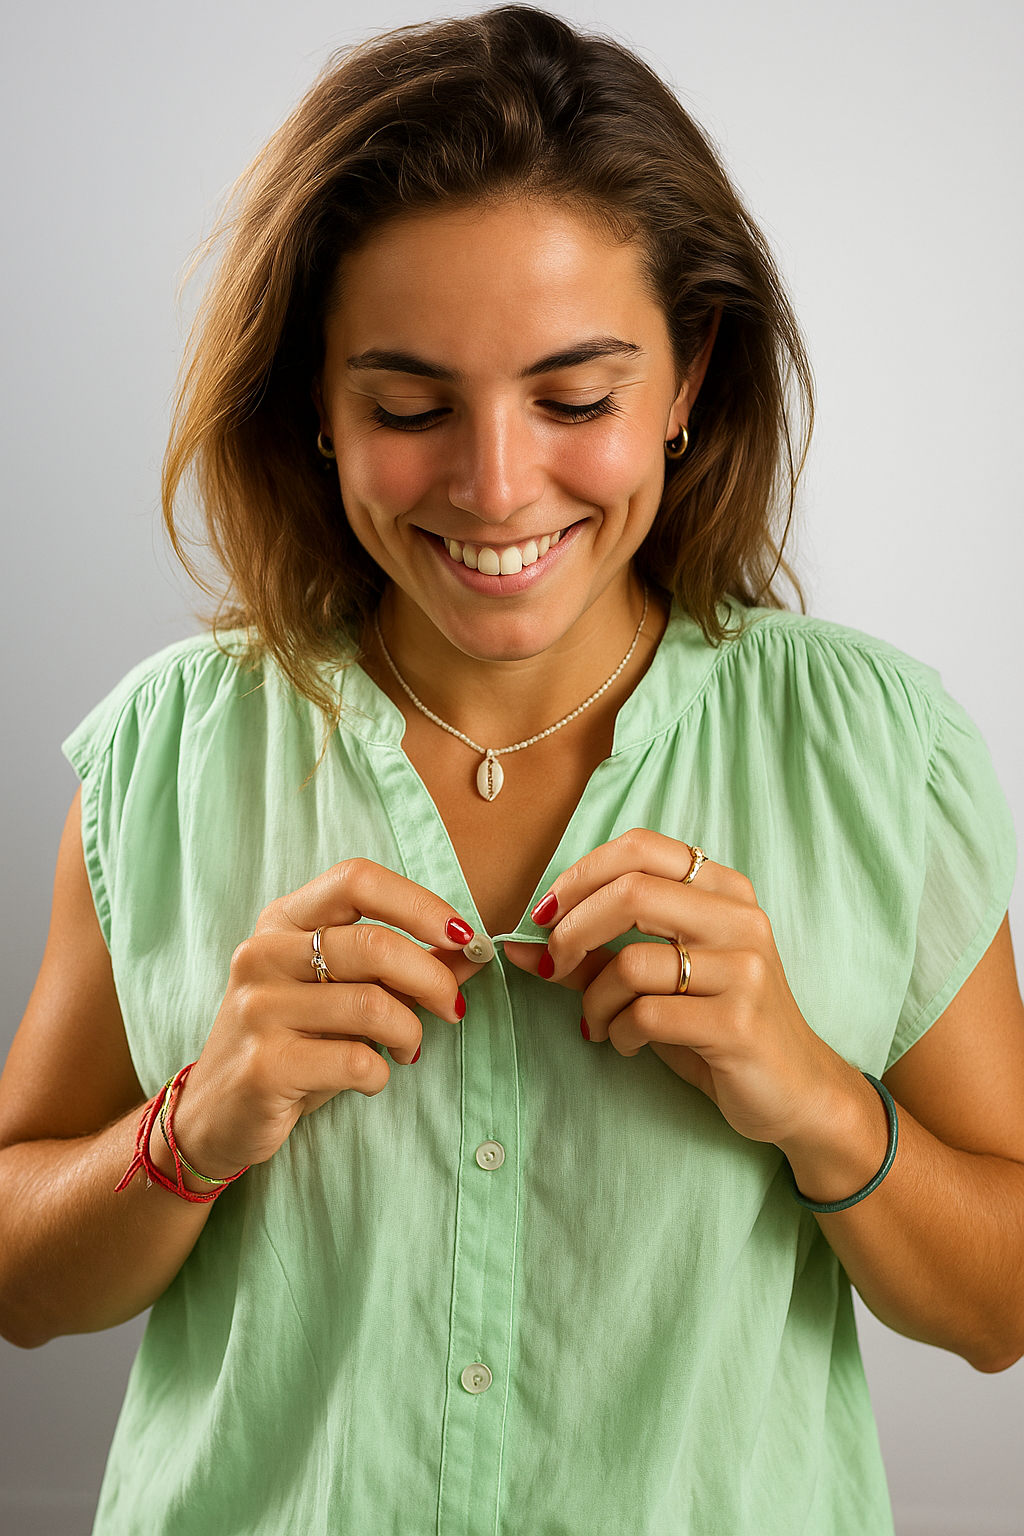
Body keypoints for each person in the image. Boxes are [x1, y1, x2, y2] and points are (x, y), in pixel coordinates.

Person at [1, 6, 1022, 1533]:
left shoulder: (879, 753)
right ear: (318, 411)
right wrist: (195, 1125)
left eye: (575, 398)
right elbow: (19, 1284)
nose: (493, 485)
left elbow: (1001, 1310)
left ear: (688, 382)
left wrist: (815, 1097)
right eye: (408, 406)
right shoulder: (168, 753)